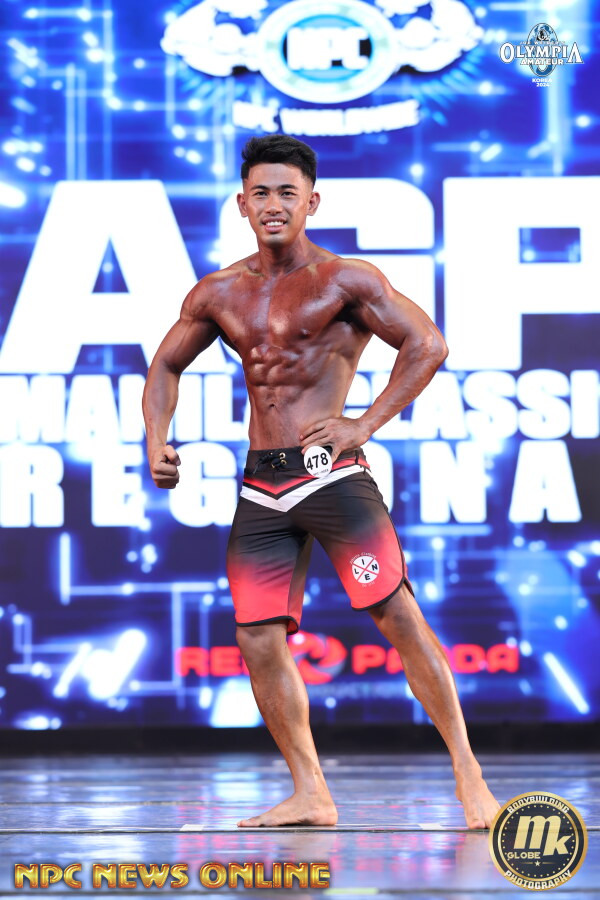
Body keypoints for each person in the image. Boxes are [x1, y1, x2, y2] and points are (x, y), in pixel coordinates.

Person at [142, 134, 500, 830]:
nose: (273, 204)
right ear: (242, 204)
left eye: (287, 192)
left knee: (397, 615)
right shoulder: (218, 291)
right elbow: (166, 366)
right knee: (258, 639)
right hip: (261, 486)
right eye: (261, 193)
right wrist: (156, 439)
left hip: (328, 474)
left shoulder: (346, 279)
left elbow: (428, 343)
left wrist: (364, 423)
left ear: (312, 201)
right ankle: (311, 792)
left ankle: (469, 773)